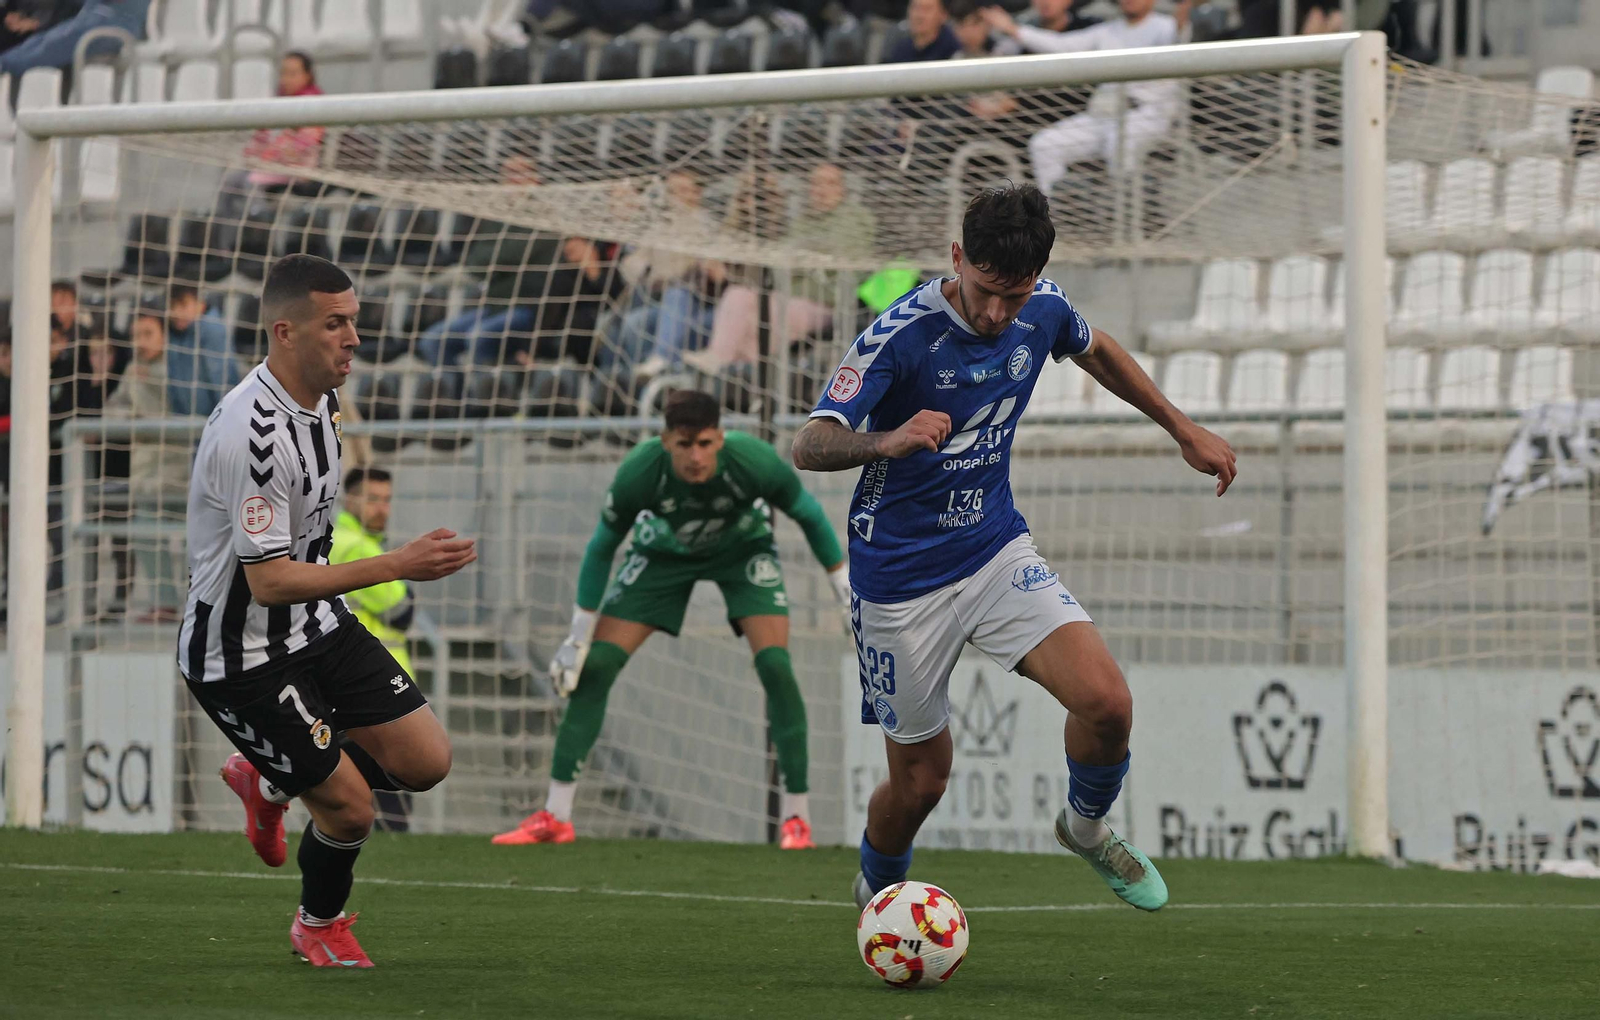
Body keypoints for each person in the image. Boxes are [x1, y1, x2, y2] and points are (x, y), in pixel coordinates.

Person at [791, 184, 1236, 912]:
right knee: (922, 782)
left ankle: (1086, 830)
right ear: (957, 257)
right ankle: (880, 888)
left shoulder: (1045, 308)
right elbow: (810, 443)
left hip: (994, 550)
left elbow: (1099, 350)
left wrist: (1180, 427)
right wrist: (887, 439)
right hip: (899, 582)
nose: (1000, 314)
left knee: (1107, 703)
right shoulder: (897, 338)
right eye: (986, 291)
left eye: (1017, 296)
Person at [179, 254, 477, 967]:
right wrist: (397, 565)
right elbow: (272, 581)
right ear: (285, 332)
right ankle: (318, 923)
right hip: (240, 655)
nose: (354, 339)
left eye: (356, 322)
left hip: (317, 626)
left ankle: (272, 775)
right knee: (349, 807)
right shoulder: (252, 437)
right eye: (336, 324)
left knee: (427, 761)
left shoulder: (324, 401)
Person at [492, 389, 852, 850]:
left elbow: (809, 515)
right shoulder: (641, 470)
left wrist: (844, 594)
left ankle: (797, 821)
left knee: (777, 667)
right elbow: (603, 545)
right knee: (595, 666)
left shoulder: (754, 461)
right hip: (661, 556)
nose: (696, 456)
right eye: (684, 445)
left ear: (720, 438)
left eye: (704, 443)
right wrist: (577, 636)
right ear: (665, 442)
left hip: (741, 552)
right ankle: (555, 815)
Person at [684, 163, 877, 375]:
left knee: (764, 318)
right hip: (787, 295)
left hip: (826, 303)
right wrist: (811, 257)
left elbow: (846, 259)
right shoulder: (802, 221)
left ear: (843, 189)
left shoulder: (857, 218)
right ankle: (721, 359)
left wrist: (804, 258)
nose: (821, 189)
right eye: (816, 183)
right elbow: (782, 261)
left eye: (829, 183)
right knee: (738, 294)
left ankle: (740, 368)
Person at [982, 0, 1181, 193]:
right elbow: (1061, 45)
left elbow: (1186, 33)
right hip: (1104, 115)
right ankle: (1054, 217)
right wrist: (1014, 29)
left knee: (1119, 141)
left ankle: (1128, 216)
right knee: (1045, 144)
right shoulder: (1107, 30)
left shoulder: (1168, 27)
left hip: (1148, 114)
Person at [330, 467, 415, 832]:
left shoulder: (334, 539)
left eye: (387, 500)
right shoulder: (358, 547)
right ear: (350, 501)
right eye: (373, 499)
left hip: (342, 682)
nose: (382, 509)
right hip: (376, 684)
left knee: (343, 796)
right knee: (395, 793)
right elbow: (402, 611)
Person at [102, 307, 187, 619]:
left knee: (200, 539)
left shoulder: (180, 368)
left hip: (184, 473)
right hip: (148, 475)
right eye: (136, 335)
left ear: (165, 336)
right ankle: (164, 603)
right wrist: (131, 418)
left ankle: (201, 602)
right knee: (143, 530)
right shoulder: (133, 369)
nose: (140, 342)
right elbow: (113, 408)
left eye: (148, 334)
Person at [0, 0, 146, 75]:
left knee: (58, 41)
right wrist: (36, 21)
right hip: (90, 18)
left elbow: (58, 44)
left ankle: (5, 63)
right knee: (45, 39)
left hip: (119, 24)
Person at [163, 283, 242, 418]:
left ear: (200, 304)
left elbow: (222, 381)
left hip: (214, 423)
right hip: (186, 424)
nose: (175, 312)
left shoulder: (212, 331)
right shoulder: (175, 335)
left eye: (182, 305)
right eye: (172, 306)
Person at [886, 0, 960, 62]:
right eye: (915, 7)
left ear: (944, 15)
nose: (919, 15)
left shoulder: (954, 51)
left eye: (927, 9)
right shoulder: (901, 49)